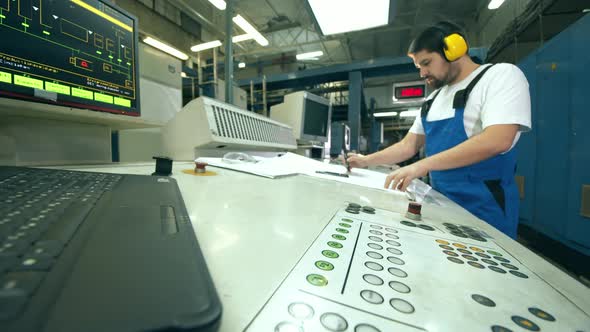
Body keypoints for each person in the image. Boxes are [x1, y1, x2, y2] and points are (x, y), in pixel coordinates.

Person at [347, 21, 531, 239]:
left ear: (454, 49)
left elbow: (497, 140)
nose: (422, 73)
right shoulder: (432, 100)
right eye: (418, 67)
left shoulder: (500, 76)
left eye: (427, 63)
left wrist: (421, 166)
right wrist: (365, 160)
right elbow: (408, 145)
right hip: (440, 208)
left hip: (486, 211)